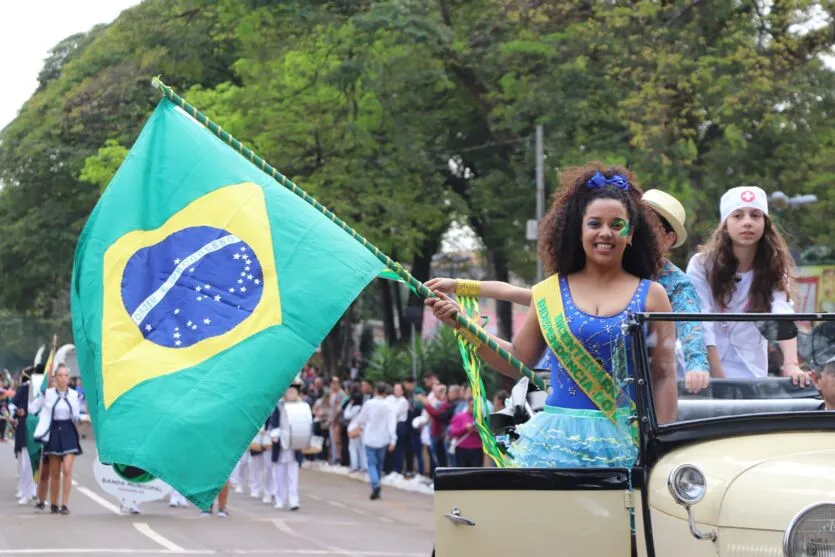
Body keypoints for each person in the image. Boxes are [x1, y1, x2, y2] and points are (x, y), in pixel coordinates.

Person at [426, 163, 677, 468]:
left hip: (625, 442)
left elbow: (664, 376)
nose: (605, 233)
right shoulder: (549, 293)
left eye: (617, 224)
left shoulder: (653, 295)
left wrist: (661, 444)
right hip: (554, 442)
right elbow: (518, 359)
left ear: (632, 233)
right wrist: (463, 327)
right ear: (578, 230)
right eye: (594, 223)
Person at [426, 187, 710, 394]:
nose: (609, 232)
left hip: (627, 403)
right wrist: (460, 291)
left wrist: (698, 367)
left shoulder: (670, 287)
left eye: (621, 224)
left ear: (668, 239)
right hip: (556, 386)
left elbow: (691, 329)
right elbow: (525, 296)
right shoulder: (582, 276)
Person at [686, 186, 808, 384]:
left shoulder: (774, 264)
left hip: (750, 368)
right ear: (725, 224)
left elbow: (782, 312)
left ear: (765, 224)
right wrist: (719, 379)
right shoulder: (701, 264)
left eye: (755, 215)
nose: (748, 223)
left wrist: (791, 364)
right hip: (701, 370)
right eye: (738, 216)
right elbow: (701, 320)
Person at [31, 364, 82, 514]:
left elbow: (76, 415)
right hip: (53, 431)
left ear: (69, 378)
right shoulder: (47, 393)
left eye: (66, 376)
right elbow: (33, 408)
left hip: (68, 431)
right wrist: (40, 418)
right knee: (55, 472)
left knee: (67, 469)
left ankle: (64, 504)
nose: (63, 379)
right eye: (60, 375)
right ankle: (53, 503)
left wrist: (85, 418)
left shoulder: (74, 395)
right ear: (55, 377)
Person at [350, 382, 396, 499]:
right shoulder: (388, 405)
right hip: (383, 439)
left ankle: (375, 484)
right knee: (379, 464)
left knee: (371, 463)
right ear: (384, 392)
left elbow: (361, 418)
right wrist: (393, 439)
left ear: (375, 391)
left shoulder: (369, 403)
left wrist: (359, 424)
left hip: (370, 438)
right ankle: (377, 484)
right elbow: (392, 423)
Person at [269, 383, 305, 511]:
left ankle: (293, 501)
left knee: (292, 476)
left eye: (293, 392)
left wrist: (302, 439)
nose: (290, 394)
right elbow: (273, 426)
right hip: (280, 446)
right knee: (279, 476)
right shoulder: (278, 407)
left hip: (294, 447)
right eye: (288, 391)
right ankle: (280, 499)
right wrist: (277, 434)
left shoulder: (301, 407)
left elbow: (304, 426)